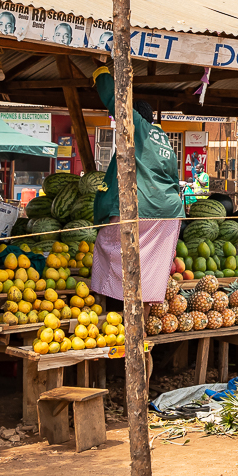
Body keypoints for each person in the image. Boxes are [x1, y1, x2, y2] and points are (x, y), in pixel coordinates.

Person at [90, 66, 184, 303]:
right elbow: (174, 179)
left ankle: (106, 311)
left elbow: (115, 101)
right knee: (152, 269)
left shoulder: (138, 128)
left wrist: (101, 73)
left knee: (105, 245)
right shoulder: (163, 139)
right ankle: (140, 331)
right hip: (169, 214)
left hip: (144, 209)